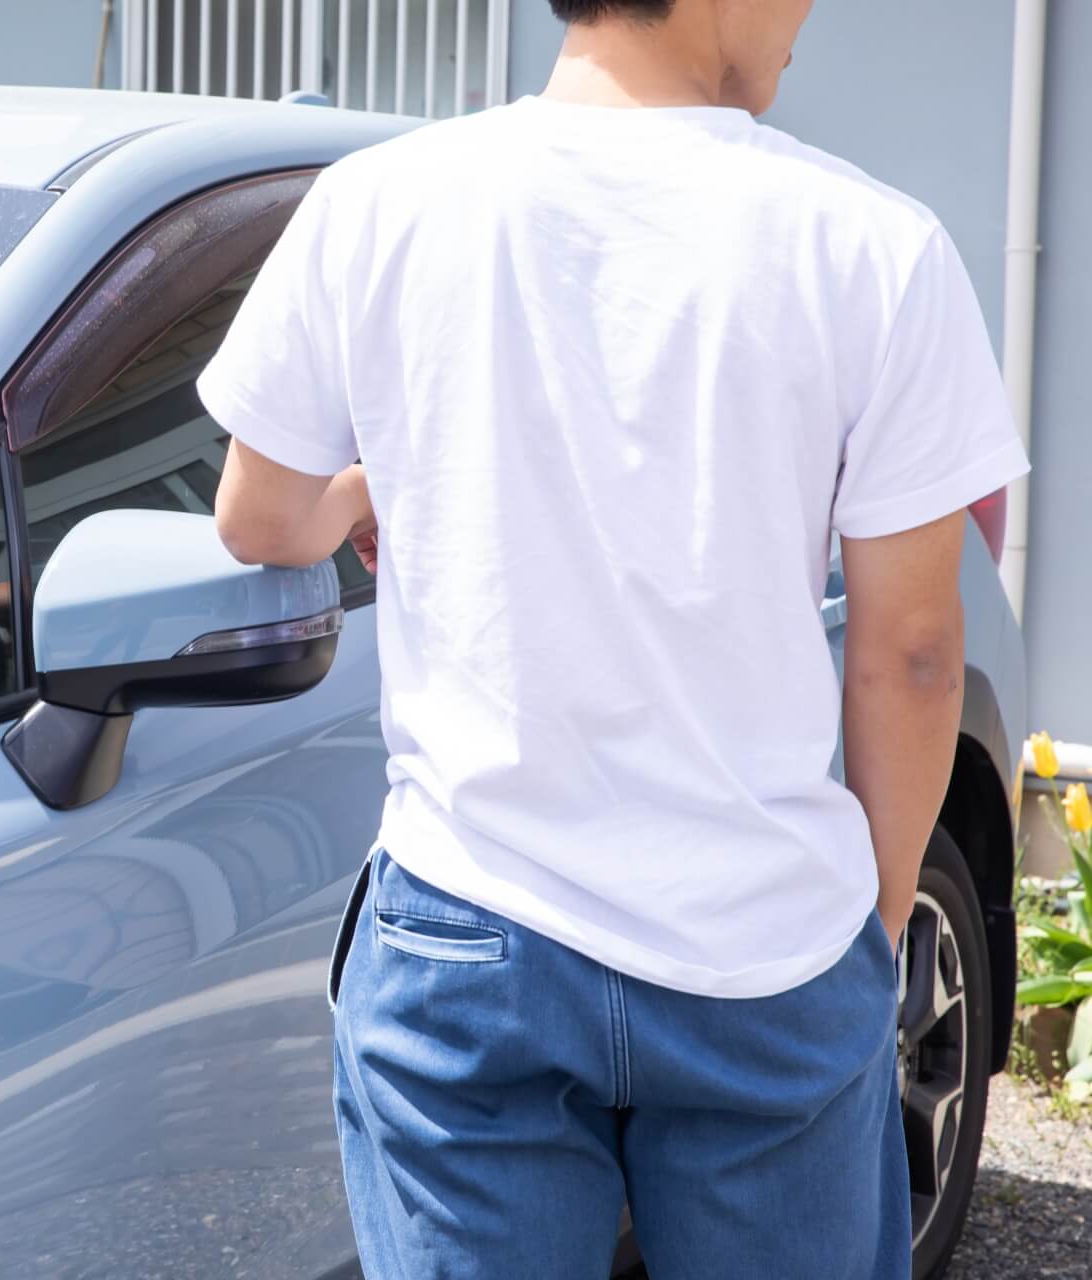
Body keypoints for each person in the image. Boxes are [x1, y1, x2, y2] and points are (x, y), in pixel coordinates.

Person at [197, 0, 1031, 1276]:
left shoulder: (379, 203)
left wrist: (365, 492)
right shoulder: (873, 247)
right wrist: (857, 931)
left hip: (470, 932)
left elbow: (258, 515)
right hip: (765, 940)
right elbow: (913, 651)